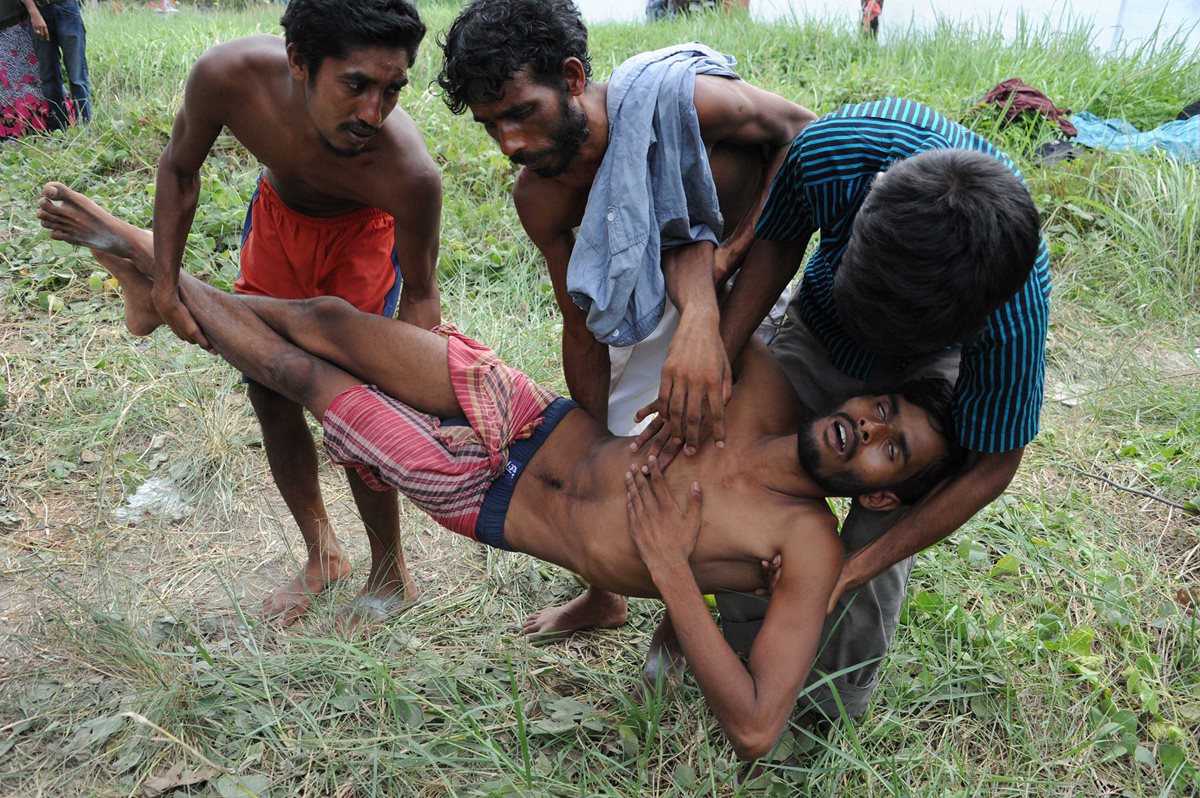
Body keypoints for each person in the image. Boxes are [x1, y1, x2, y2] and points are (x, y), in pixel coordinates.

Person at [38, 181, 960, 760]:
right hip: (528, 418)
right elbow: (699, 251)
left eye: (891, 447)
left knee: (299, 372)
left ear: (880, 494)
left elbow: (758, 727)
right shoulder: (759, 389)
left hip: (486, 492)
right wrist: (697, 321)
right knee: (324, 316)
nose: (867, 427)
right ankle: (161, 282)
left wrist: (675, 580)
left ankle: (143, 264)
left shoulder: (802, 545)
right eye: (881, 408)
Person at [437, 0, 815, 640]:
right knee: (630, 448)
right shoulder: (540, 195)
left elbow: (806, 135)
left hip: (752, 284)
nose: (511, 143)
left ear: (574, 77)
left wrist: (737, 252)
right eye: (491, 125)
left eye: (522, 111)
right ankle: (604, 597)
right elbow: (580, 322)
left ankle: (686, 613)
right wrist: (595, 432)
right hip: (644, 308)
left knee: (712, 447)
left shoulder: (688, 103)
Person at [65, 0, 444, 630]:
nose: (373, 113)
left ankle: (389, 571)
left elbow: (423, 294)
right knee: (270, 391)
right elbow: (180, 169)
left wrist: (407, 381)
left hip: (362, 242)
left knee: (357, 413)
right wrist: (166, 286)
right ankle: (322, 554)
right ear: (299, 62)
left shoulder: (408, 173)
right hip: (278, 223)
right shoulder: (228, 76)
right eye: (355, 86)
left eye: (392, 90)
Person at [713, 98, 1050, 721]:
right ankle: (740, 658)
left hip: (931, 367)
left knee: (887, 523)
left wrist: (853, 568)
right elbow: (776, 246)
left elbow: (991, 467)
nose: (869, 419)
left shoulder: (1013, 304)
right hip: (821, 320)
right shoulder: (832, 155)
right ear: (861, 210)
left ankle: (830, 706)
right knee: (756, 479)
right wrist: (718, 359)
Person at [30, 0, 89, 130]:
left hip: (67, 8)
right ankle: (60, 131)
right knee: (49, 78)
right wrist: (33, 12)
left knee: (77, 76)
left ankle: (85, 130)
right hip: (38, 10)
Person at [0, 0, 51, 138]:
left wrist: (32, 12)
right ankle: (13, 130)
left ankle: (41, 126)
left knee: (31, 79)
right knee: (6, 84)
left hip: (18, 23)